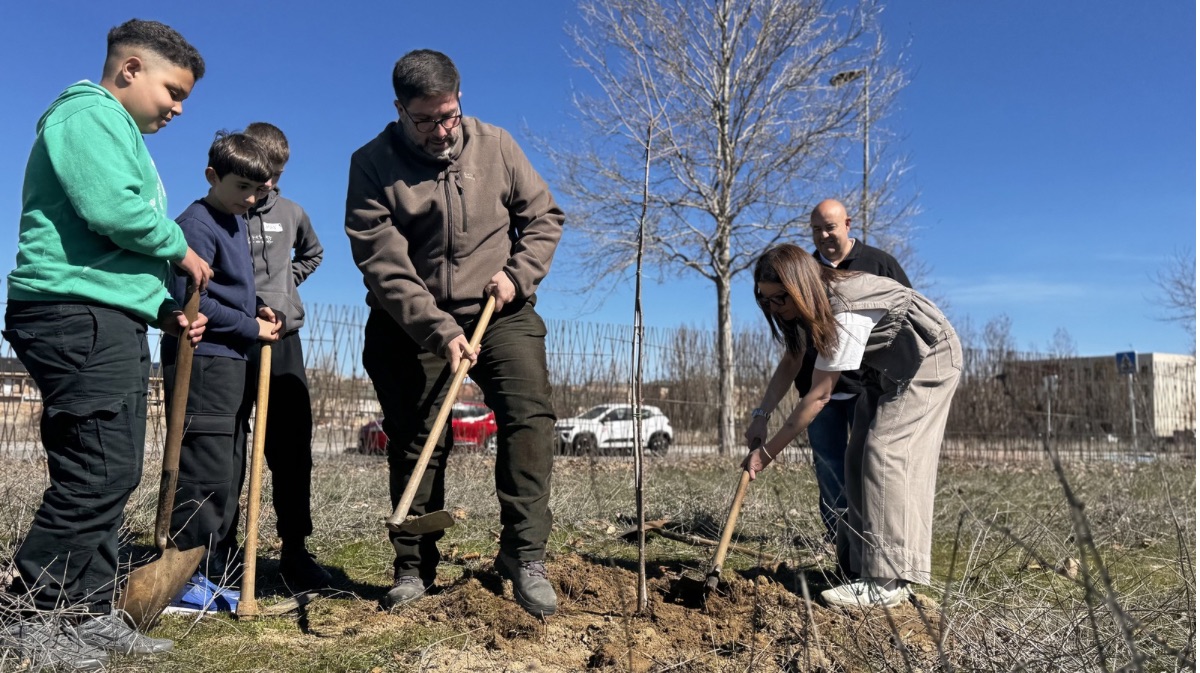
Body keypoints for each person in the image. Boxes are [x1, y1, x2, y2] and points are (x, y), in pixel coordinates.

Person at [1, 18, 210, 670]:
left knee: (108, 472)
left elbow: (113, 253)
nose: (177, 108)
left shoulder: (122, 134)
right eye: (173, 91)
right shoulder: (85, 115)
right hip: (74, 314)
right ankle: (30, 612)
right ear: (130, 71)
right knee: (98, 470)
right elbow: (109, 210)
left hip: (108, 314)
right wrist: (179, 245)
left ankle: (86, 613)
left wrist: (166, 310)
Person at [345, 49, 563, 616]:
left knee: (529, 417)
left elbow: (543, 218)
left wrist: (517, 275)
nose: (443, 131)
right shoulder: (371, 164)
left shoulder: (496, 144)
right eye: (426, 120)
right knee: (420, 438)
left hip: (501, 307)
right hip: (410, 323)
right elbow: (384, 264)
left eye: (450, 115)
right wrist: (438, 329)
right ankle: (413, 566)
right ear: (399, 110)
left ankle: (524, 555)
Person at [744, 243, 961, 608]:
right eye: (764, 300)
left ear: (799, 286)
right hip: (888, 369)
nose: (773, 308)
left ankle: (888, 581)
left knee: (885, 452)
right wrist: (761, 416)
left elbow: (818, 397)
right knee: (856, 456)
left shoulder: (845, 311)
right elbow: (793, 359)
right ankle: (860, 567)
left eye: (779, 298)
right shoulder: (804, 307)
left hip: (929, 360)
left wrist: (766, 454)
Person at [160, 131, 281, 613]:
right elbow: (197, 300)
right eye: (242, 189)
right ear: (212, 177)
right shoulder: (197, 223)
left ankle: (214, 567)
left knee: (228, 464)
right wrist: (249, 324)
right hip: (203, 360)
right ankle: (182, 580)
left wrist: (260, 308)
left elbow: (230, 291)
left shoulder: (235, 219)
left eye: (260, 192)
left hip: (232, 360)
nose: (252, 200)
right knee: (204, 468)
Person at [778, 199, 910, 545]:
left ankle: (874, 536)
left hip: (871, 387)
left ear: (848, 224)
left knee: (872, 465)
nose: (823, 235)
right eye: (816, 229)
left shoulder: (879, 264)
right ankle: (837, 537)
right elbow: (793, 346)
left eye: (830, 227)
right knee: (829, 466)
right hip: (820, 389)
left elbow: (908, 314)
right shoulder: (804, 272)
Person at [239, 122, 330, 591]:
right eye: (261, 173)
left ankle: (295, 547)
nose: (267, 184)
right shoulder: (227, 207)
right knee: (229, 446)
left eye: (275, 174)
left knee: (291, 446)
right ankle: (220, 548)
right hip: (232, 338)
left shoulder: (292, 213)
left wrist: (285, 287)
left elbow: (314, 254)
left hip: (282, 338)